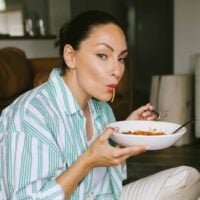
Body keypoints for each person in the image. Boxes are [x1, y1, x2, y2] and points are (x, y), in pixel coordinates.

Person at [0, 10, 199, 200]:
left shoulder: (101, 110)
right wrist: (87, 161)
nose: (117, 70)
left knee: (186, 178)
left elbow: (108, 180)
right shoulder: (31, 115)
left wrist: (125, 136)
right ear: (70, 56)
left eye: (121, 58)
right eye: (103, 55)